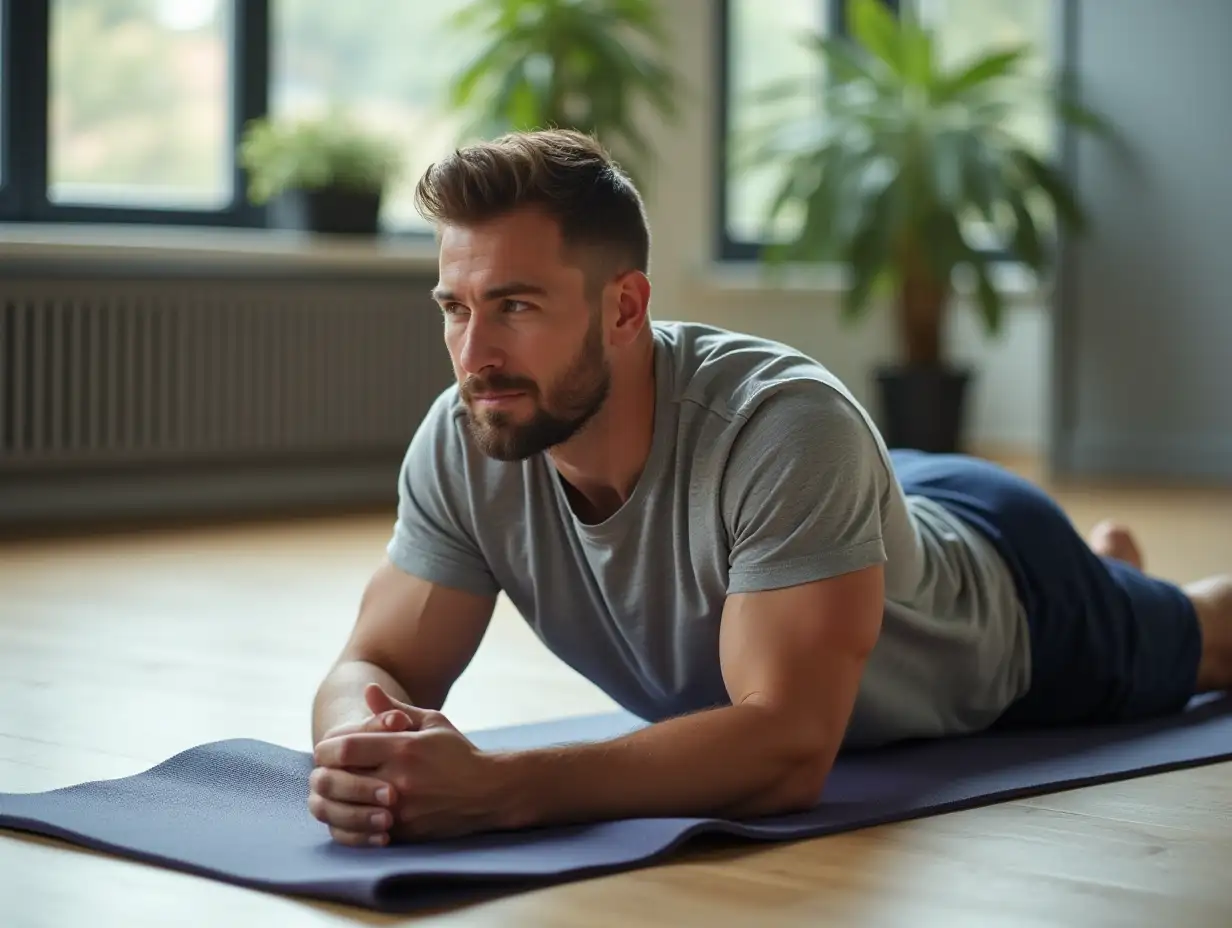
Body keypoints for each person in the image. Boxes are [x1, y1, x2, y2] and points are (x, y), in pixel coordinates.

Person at [306, 129, 1232, 848]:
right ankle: (1116, 564)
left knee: (1200, 647)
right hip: (859, 516)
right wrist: (365, 750)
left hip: (1014, 593)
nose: (474, 355)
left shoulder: (785, 422)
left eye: (515, 306)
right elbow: (366, 666)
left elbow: (785, 749)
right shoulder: (470, 432)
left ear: (624, 307)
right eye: (456, 309)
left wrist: (502, 787)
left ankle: (1124, 587)